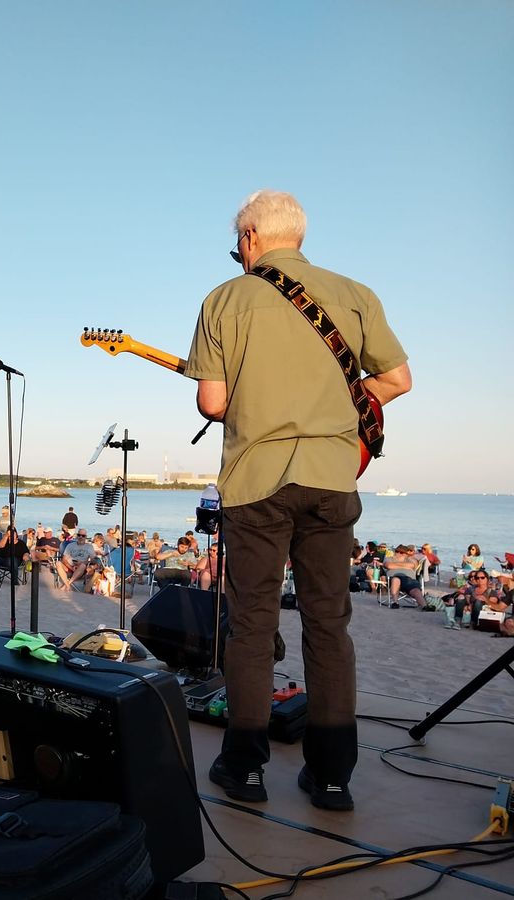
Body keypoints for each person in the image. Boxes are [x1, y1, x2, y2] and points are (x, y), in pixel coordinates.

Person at [188, 190, 410, 811]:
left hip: (258, 481)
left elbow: (211, 402)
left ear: (253, 238)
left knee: (254, 625)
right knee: (328, 624)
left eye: (238, 246)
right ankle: (333, 776)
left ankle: (246, 769)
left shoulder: (226, 299)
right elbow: (397, 380)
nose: (238, 256)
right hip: (334, 477)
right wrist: (336, 407)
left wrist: (260, 399)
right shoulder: (356, 294)